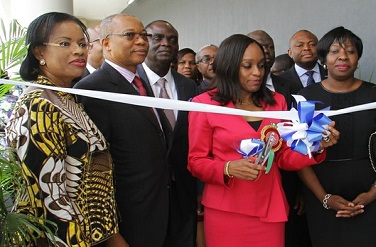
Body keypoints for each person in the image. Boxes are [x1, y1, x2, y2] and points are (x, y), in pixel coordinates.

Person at [187, 34, 340, 247]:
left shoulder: (276, 101)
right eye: (247, 66)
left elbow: (284, 156)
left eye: (261, 65)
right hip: (226, 209)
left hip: (269, 207)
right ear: (229, 66)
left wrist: (315, 147)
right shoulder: (204, 105)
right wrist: (228, 168)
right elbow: (195, 161)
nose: (257, 73)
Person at [6, 12, 119, 246]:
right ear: (39, 52)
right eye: (65, 43)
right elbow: (50, 200)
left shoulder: (64, 98)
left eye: (82, 43)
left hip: (93, 235)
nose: (78, 50)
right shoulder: (38, 105)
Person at [298, 26, 376, 247]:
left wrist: (374, 192)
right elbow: (299, 154)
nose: (343, 56)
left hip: (369, 196)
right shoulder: (306, 98)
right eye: (335, 51)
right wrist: (324, 198)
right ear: (323, 59)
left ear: (357, 59)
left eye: (350, 51)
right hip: (321, 194)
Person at [74, 14, 158, 247]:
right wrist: (110, 234)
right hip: (126, 220)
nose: (141, 41)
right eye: (130, 35)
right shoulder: (92, 90)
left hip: (159, 212)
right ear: (106, 43)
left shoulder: (141, 83)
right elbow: (95, 168)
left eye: (143, 35)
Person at [136, 19, 198, 247]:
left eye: (172, 40)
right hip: (145, 195)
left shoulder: (189, 86)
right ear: (144, 41)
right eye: (157, 38)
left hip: (184, 190)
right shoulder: (131, 84)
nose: (166, 44)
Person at [247, 29, 310, 247]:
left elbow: (296, 141)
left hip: (287, 182)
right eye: (258, 45)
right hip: (245, 187)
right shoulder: (225, 95)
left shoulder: (291, 89)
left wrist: (302, 188)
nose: (265, 51)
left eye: (269, 46)